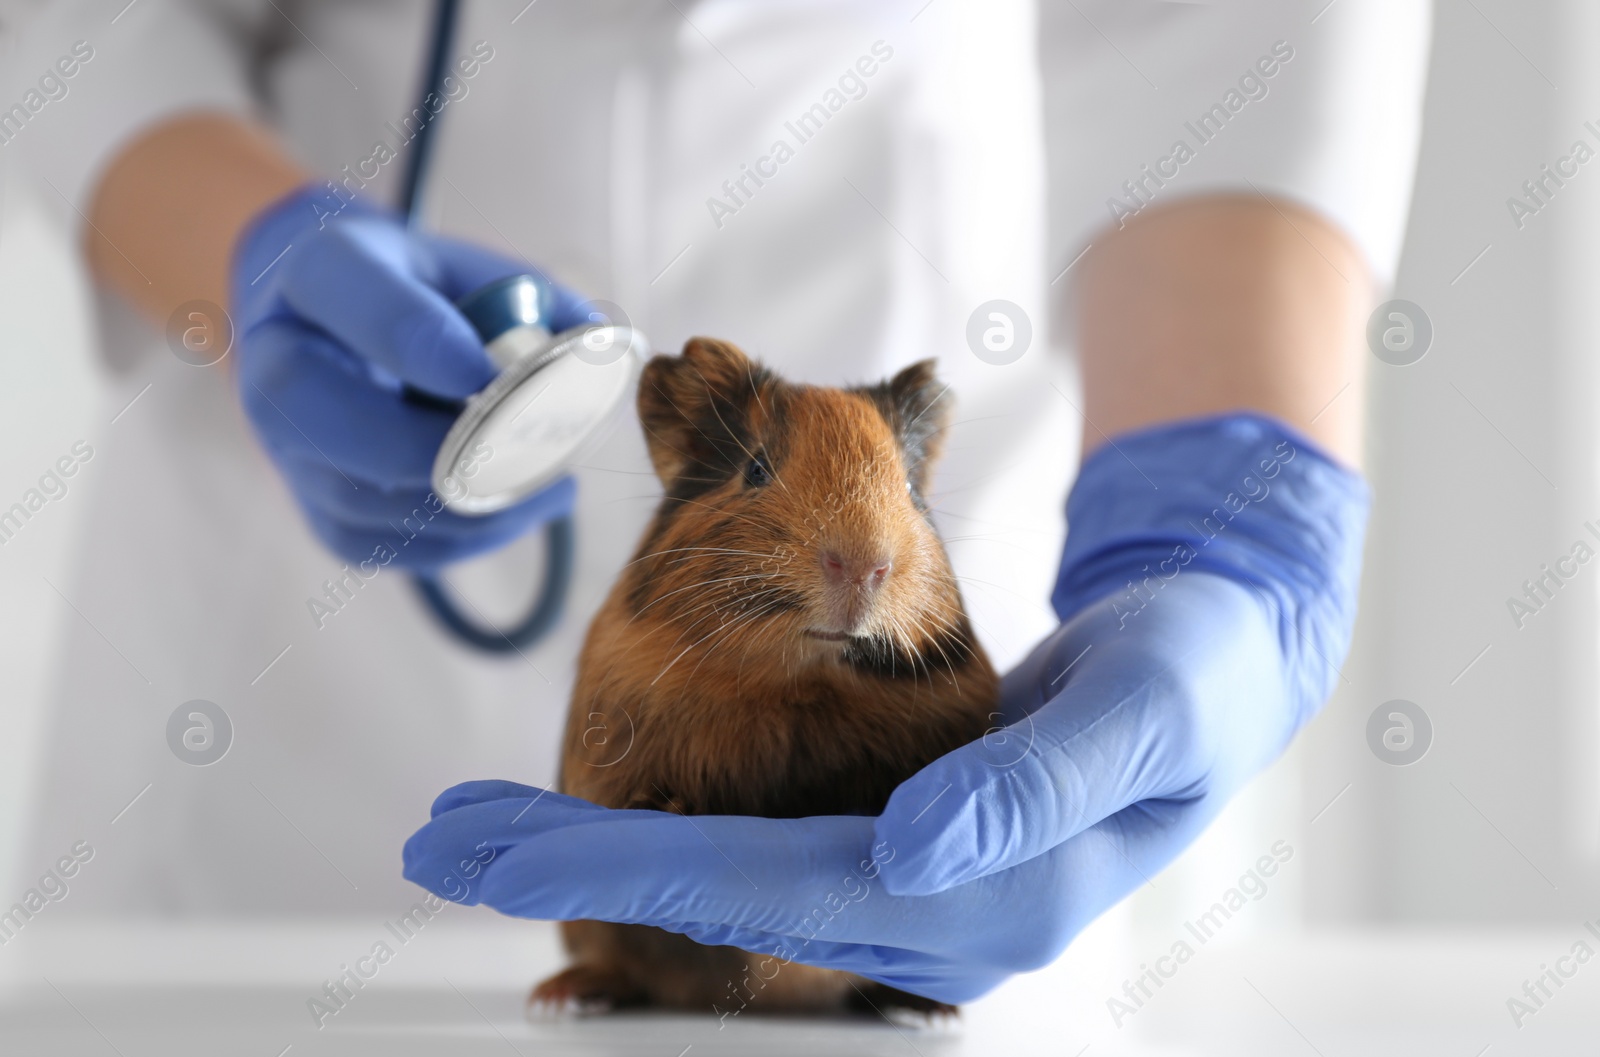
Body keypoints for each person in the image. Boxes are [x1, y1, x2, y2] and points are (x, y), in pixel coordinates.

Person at [10, 0, 1429, 996]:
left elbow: (1224, 45)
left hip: (928, 250)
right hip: (279, 736)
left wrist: (1224, 526)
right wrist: (251, 258)